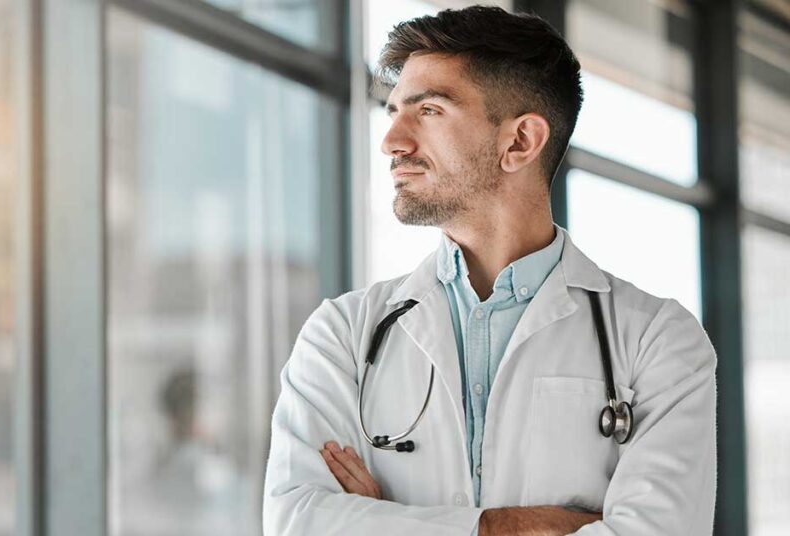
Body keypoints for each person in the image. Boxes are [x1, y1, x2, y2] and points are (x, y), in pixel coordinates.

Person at [262, 6, 717, 536]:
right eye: (392, 113)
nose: (392, 141)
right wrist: (509, 526)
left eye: (429, 110)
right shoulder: (342, 333)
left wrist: (387, 519)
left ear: (520, 141)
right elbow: (297, 522)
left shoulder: (658, 340)